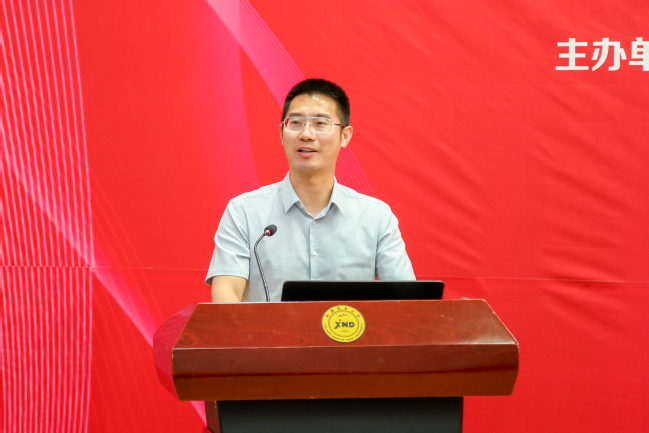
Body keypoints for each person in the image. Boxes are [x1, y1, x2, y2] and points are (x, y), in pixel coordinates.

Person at [207, 78, 415, 303]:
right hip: (267, 328)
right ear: (281, 133)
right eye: (296, 122)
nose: (306, 134)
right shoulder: (244, 212)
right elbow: (225, 294)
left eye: (320, 123)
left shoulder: (376, 217)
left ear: (345, 136)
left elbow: (407, 302)